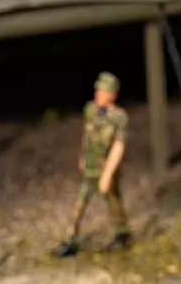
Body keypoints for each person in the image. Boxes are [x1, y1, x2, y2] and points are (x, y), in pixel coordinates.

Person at [55, 72, 132, 258]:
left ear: (112, 94)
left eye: (102, 91)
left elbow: (118, 147)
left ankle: (123, 234)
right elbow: (87, 134)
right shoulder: (90, 110)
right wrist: (83, 155)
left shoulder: (119, 117)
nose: (98, 93)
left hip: (105, 168)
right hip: (90, 168)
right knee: (79, 203)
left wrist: (107, 174)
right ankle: (70, 239)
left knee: (114, 203)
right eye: (98, 90)